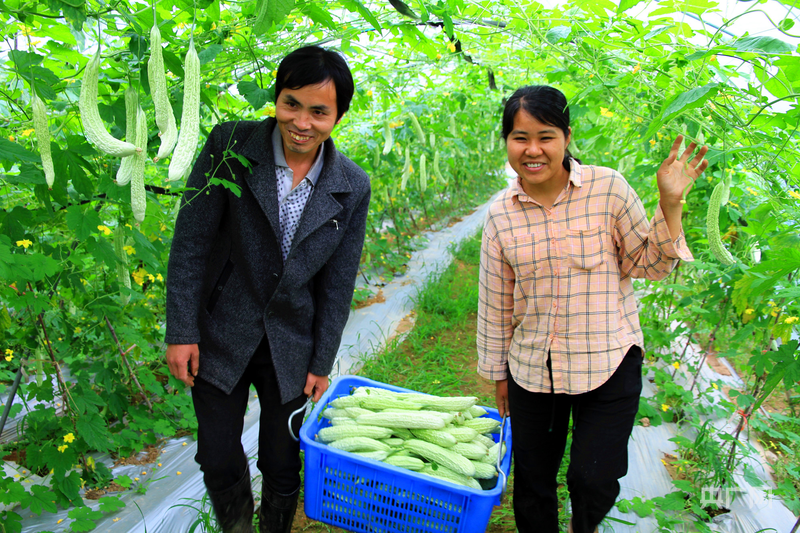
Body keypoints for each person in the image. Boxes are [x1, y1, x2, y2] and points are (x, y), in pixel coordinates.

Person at [477, 85, 708, 533]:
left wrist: (670, 204)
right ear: (507, 142)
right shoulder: (500, 214)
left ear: (566, 137)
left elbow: (649, 265)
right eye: (520, 138)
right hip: (533, 368)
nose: (532, 150)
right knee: (533, 483)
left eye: (545, 137)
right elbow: (495, 302)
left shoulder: (608, 189)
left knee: (593, 477)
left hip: (608, 359)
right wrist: (498, 374)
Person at [165, 45, 371, 533]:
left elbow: (338, 282)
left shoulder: (351, 184)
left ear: (338, 116)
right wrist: (182, 330)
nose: (301, 122)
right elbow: (191, 241)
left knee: (282, 460)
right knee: (216, 456)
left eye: (319, 111)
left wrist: (321, 360)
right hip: (221, 330)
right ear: (276, 98)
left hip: (291, 342)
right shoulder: (231, 146)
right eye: (291, 104)